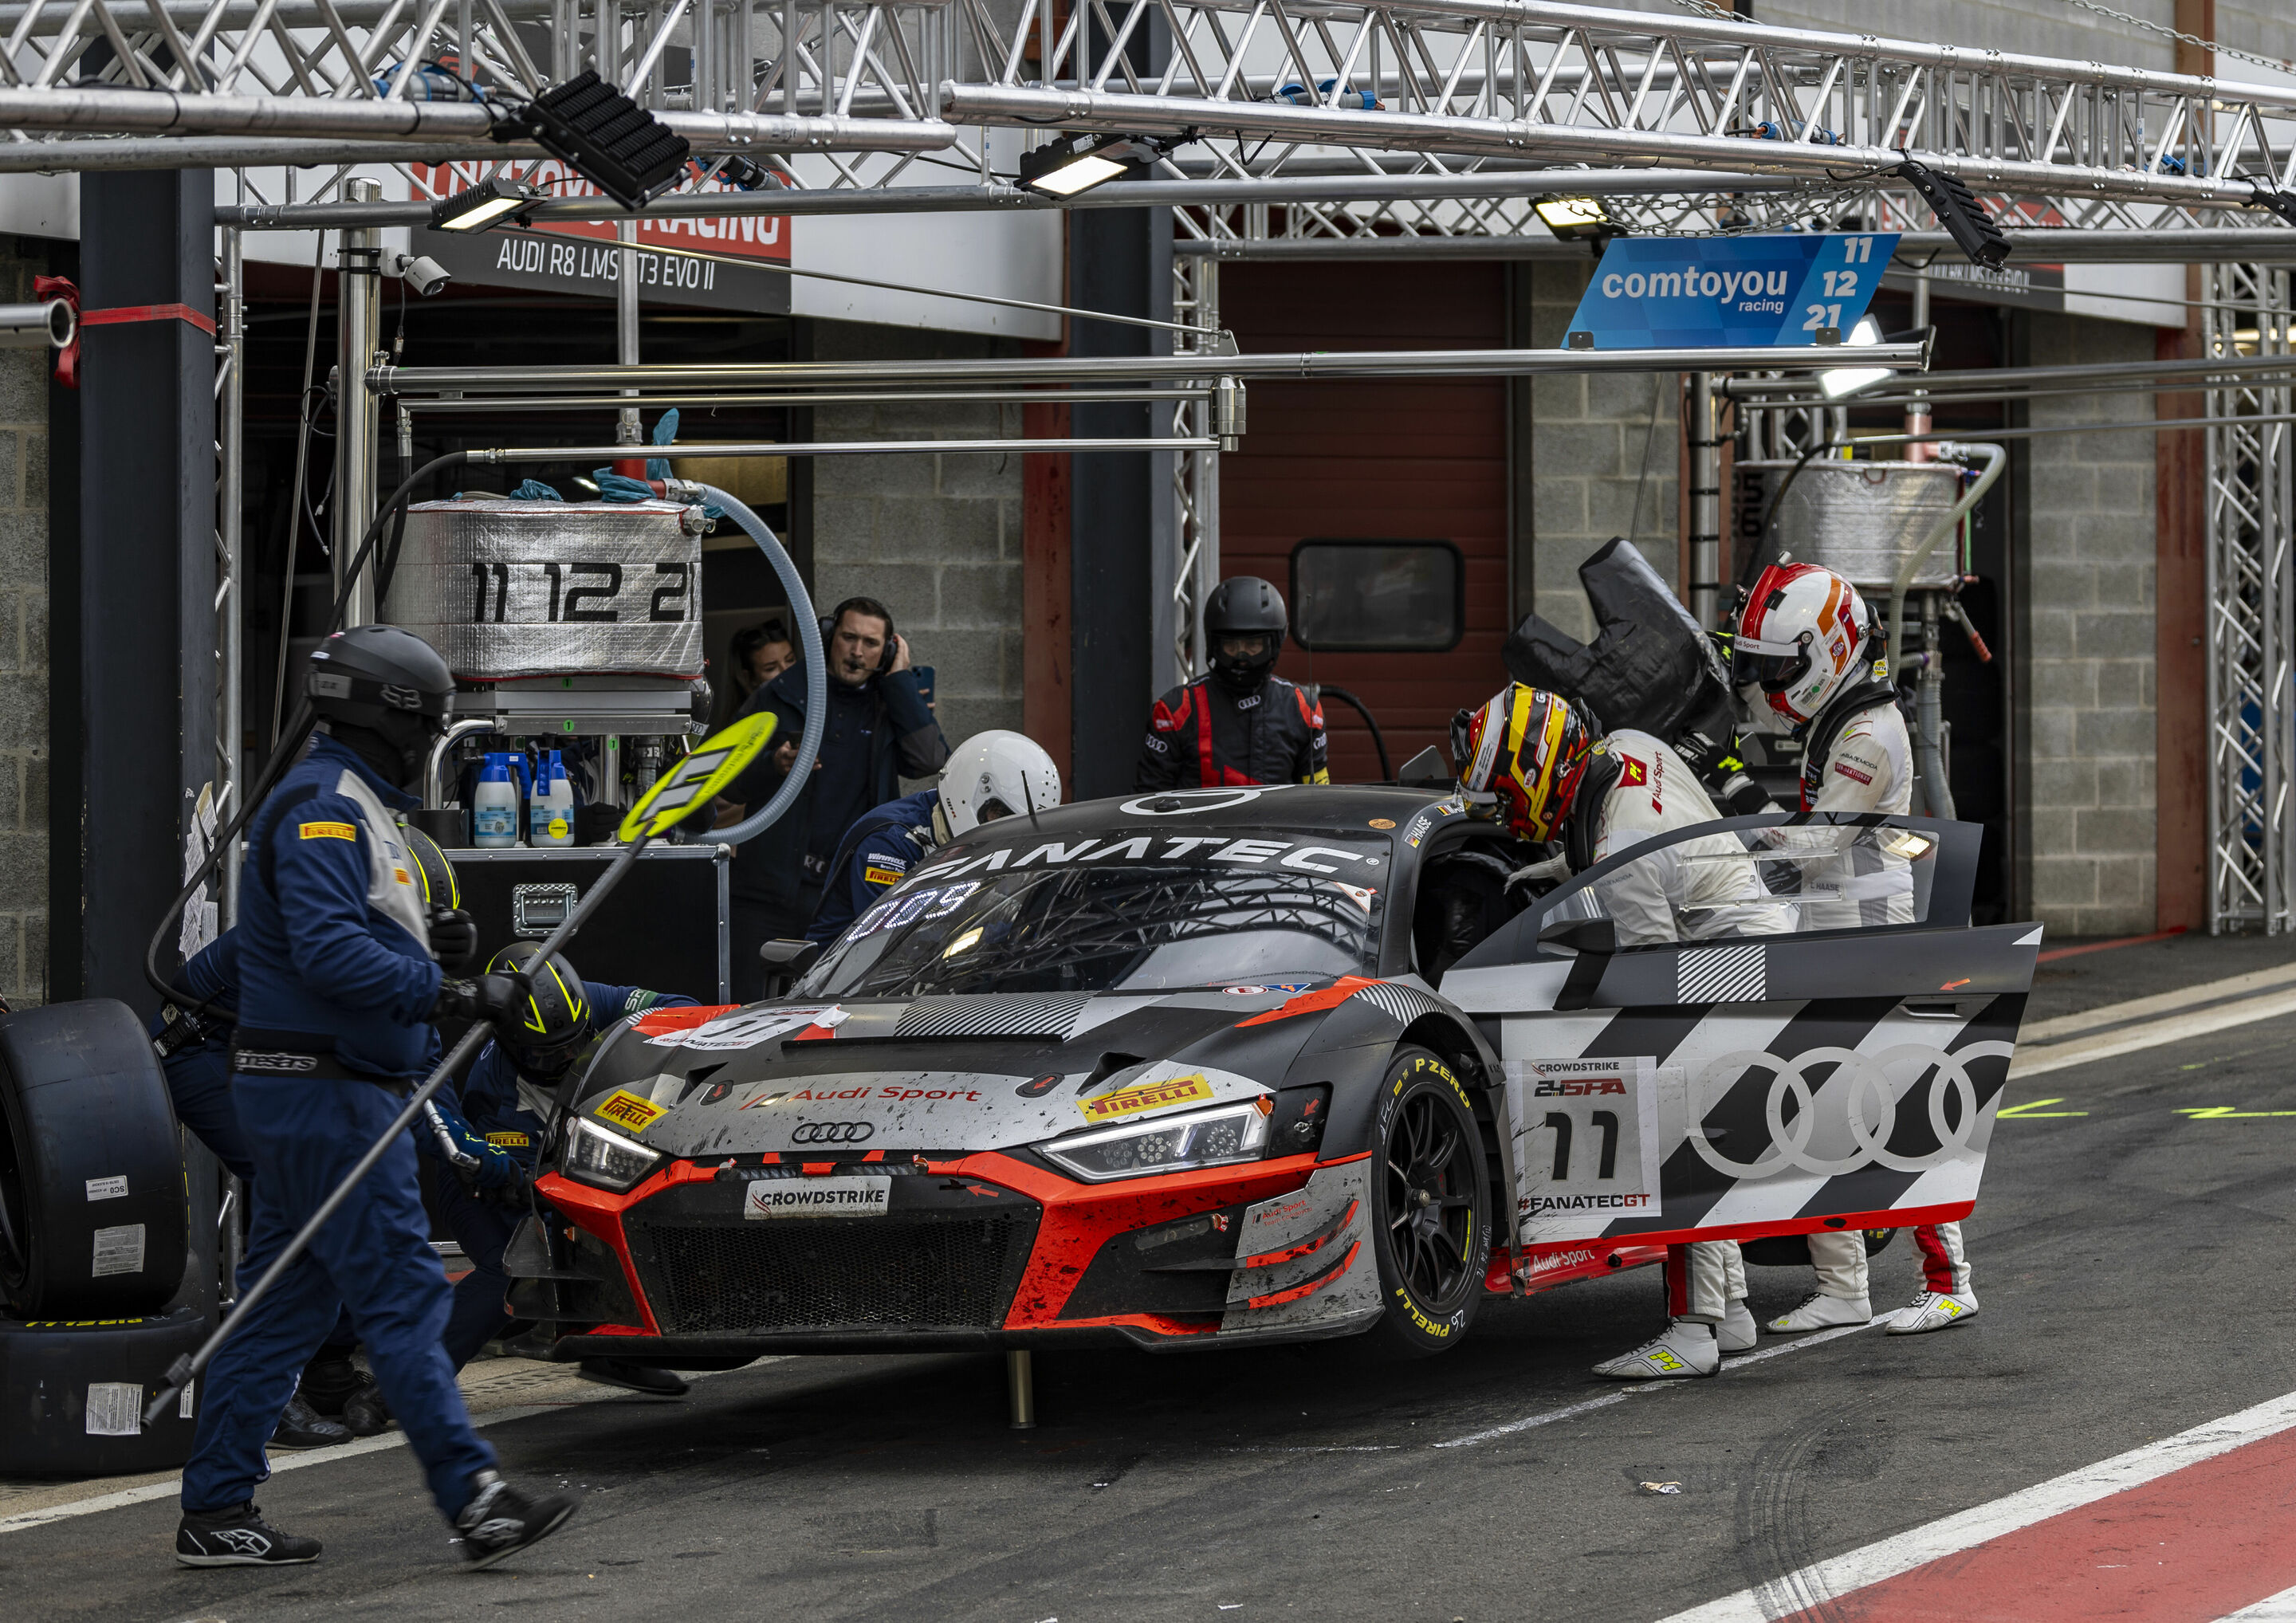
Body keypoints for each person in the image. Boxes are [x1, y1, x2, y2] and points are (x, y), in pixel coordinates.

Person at [175, 625, 574, 1571]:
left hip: (323, 1092)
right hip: (332, 1096)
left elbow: (348, 940)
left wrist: (431, 948)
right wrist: (447, 991)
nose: (429, 743)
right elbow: (324, 951)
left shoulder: (353, 805)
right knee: (400, 1292)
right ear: (390, 718)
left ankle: (215, 1506)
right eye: (427, 724)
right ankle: (476, 1500)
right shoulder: (323, 808)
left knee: (286, 1305)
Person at [1452, 682, 1791, 1381]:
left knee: (1677, 1132)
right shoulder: (1626, 748)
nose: (1513, 817)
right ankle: (1729, 1313)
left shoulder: (1619, 838)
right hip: (1752, 942)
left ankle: (1692, 1332)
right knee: (1709, 1141)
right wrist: (1554, 877)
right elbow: (1639, 848)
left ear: (1533, 764)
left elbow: (1650, 967)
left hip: (1721, 962)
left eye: (1507, 797)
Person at [154, 826, 480, 1448]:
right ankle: (272, 1395)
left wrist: (463, 1145)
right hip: (202, 1056)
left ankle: (327, 1368)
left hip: (271, 1057)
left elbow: (422, 1068)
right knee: (320, 1202)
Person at [1731, 558, 1976, 1338]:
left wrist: (1732, 814)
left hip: (1871, 945)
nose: (1773, 683)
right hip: (1831, 940)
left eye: (1783, 665)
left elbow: (1809, 850)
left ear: (1825, 649)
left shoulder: (1867, 735)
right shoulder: (1843, 717)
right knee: (1815, 1120)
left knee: (1899, 1121)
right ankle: (1845, 1288)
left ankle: (1950, 1281)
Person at [427, 941, 695, 1390]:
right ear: (511, 1045)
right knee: (515, 1267)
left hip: (567, 1148)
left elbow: (688, 1010)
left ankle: (613, 1352)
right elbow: (526, 1184)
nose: (566, 1062)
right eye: (546, 1056)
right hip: (486, 1181)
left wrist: (626, 1048)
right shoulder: (492, 1091)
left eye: (575, 1045)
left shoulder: (599, 1001)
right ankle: (410, 1383)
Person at [720, 596, 949, 998]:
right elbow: (725, 781)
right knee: (748, 1004)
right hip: (765, 892)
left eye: (871, 643)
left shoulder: (888, 701)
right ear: (828, 637)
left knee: (829, 1012)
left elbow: (929, 759)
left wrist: (900, 683)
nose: (858, 652)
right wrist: (774, 764)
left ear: (888, 651)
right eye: (848, 637)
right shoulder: (784, 692)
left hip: (842, 896)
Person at [805, 730, 1063, 945]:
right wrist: (1002, 929)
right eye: (1001, 815)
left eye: (1018, 824)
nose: (1009, 831)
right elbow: (893, 939)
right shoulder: (889, 842)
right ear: (971, 791)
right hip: (840, 985)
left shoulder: (960, 829)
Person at [1136, 576, 1330, 790]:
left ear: (1273, 644)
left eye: (1253, 645)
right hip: (1197, 823)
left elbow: (1317, 797)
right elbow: (1148, 798)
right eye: (1231, 645)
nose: (1241, 655)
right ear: (1214, 644)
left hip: (1275, 822)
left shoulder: (1303, 708)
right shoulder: (1176, 710)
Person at [714, 617, 796, 731]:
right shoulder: (743, 723)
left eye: (790, 660)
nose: (786, 671)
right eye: (771, 668)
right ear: (749, 678)